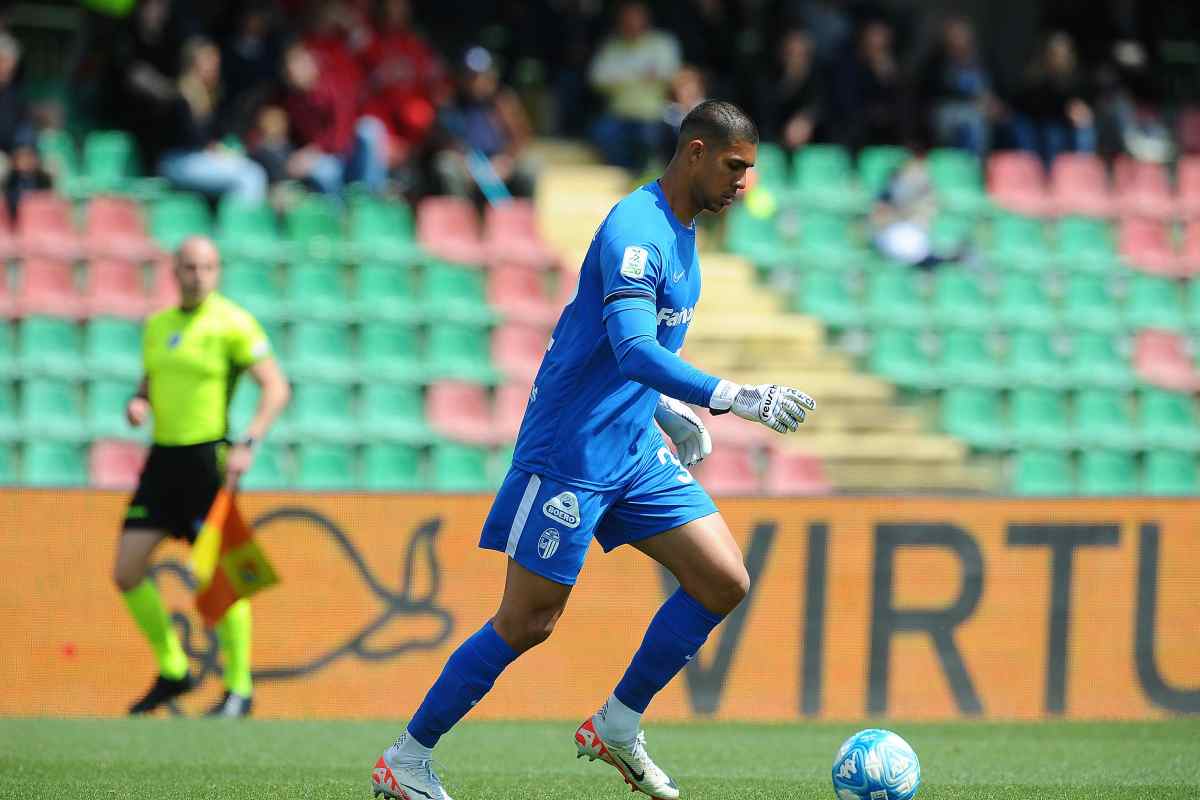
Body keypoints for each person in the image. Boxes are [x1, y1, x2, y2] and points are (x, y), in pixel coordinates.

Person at [370, 100, 815, 800]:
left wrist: (663, 408)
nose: (744, 184)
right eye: (735, 167)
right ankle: (409, 757)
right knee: (528, 622)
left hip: (633, 444)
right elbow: (635, 347)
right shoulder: (636, 232)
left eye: (751, 170)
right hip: (572, 450)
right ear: (694, 152)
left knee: (723, 579)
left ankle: (618, 723)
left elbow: (623, 347)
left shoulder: (685, 229)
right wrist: (729, 395)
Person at [114, 236, 290, 718]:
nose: (198, 275)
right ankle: (173, 669)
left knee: (219, 575)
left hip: (204, 461)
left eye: (207, 267)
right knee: (126, 570)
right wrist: (139, 401)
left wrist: (248, 441)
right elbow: (149, 381)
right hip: (161, 461)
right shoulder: (158, 327)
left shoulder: (231, 323)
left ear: (218, 272)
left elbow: (276, 387)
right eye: (190, 267)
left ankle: (239, 688)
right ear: (175, 271)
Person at [158, 37, 269, 203]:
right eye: (208, 61)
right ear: (193, 65)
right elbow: (187, 140)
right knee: (250, 175)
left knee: (249, 167)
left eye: (215, 61)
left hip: (199, 160)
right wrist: (215, 149)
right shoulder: (179, 96)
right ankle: (240, 226)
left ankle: (232, 222)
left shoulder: (212, 95)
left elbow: (221, 134)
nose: (215, 66)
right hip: (176, 162)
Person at [433, 45, 536, 200]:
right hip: (467, 164)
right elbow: (444, 140)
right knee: (447, 165)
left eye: (482, 76)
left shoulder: (503, 101)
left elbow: (521, 138)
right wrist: (468, 166)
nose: (477, 81)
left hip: (499, 162)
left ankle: (521, 219)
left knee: (531, 166)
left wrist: (505, 162)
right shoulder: (451, 103)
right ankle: (461, 218)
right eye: (471, 76)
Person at [588, 2, 681, 171]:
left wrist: (620, 77)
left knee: (648, 139)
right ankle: (622, 177)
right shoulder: (611, 46)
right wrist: (641, 75)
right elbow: (596, 78)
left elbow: (670, 74)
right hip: (617, 114)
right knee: (602, 133)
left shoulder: (662, 43)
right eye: (627, 18)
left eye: (635, 17)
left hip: (653, 115)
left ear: (645, 19)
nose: (631, 22)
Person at [1012, 32, 1096, 167]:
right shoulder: (1036, 78)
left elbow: (1085, 103)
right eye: (1054, 54)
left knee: (1085, 127)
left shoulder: (1078, 79)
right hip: (1041, 124)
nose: (1058, 59)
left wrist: (1082, 111)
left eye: (1062, 54)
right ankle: (1051, 176)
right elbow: (1027, 106)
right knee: (1053, 134)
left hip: (1068, 125)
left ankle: (1083, 169)